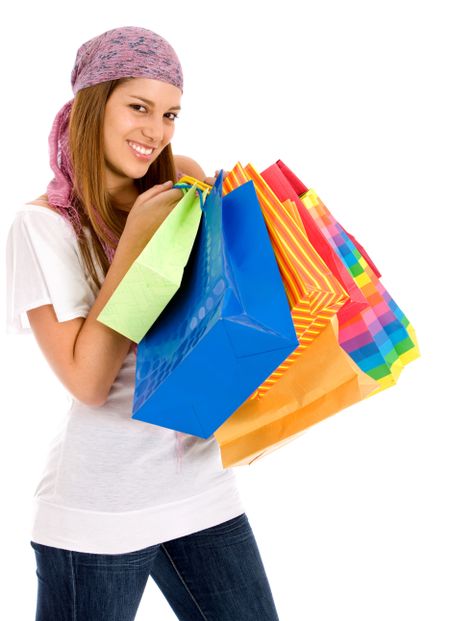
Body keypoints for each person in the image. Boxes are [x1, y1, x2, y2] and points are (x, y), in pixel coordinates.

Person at [5, 26, 280, 621]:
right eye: (138, 107)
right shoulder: (42, 227)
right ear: (91, 106)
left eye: (170, 113)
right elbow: (88, 381)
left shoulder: (176, 182)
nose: (154, 132)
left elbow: (215, 322)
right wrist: (133, 250)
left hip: (201, 487)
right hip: (101, 508)